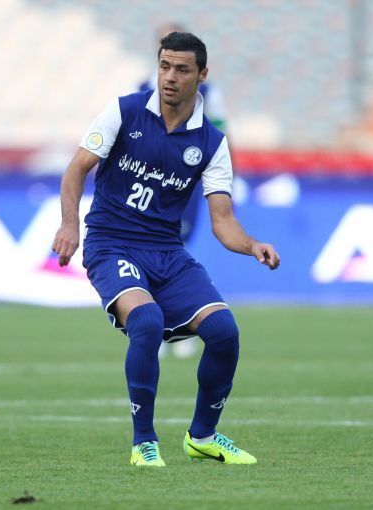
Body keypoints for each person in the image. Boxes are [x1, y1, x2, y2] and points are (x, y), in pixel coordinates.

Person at [52, 32, 280, 466]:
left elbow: (223, 221)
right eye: (164, 66)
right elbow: (76, 169)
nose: (170, 77)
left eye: (182, 69)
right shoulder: (124, 111)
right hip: (111, 243)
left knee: (224, 332)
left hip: (166, 251)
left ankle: (203, 436)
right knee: (147, 320)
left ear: (202, 75)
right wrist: (69, 224)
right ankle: (144, 443)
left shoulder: (211, 143)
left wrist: (253, 245)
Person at [139, 22, 230, 360]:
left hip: (185, 183)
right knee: (148, 252)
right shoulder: (142, 88)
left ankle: (178, 325)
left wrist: (222, 178)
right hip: (148, 181)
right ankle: (157, 326)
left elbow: (219, 136)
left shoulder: (210, 93)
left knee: (175, 250)